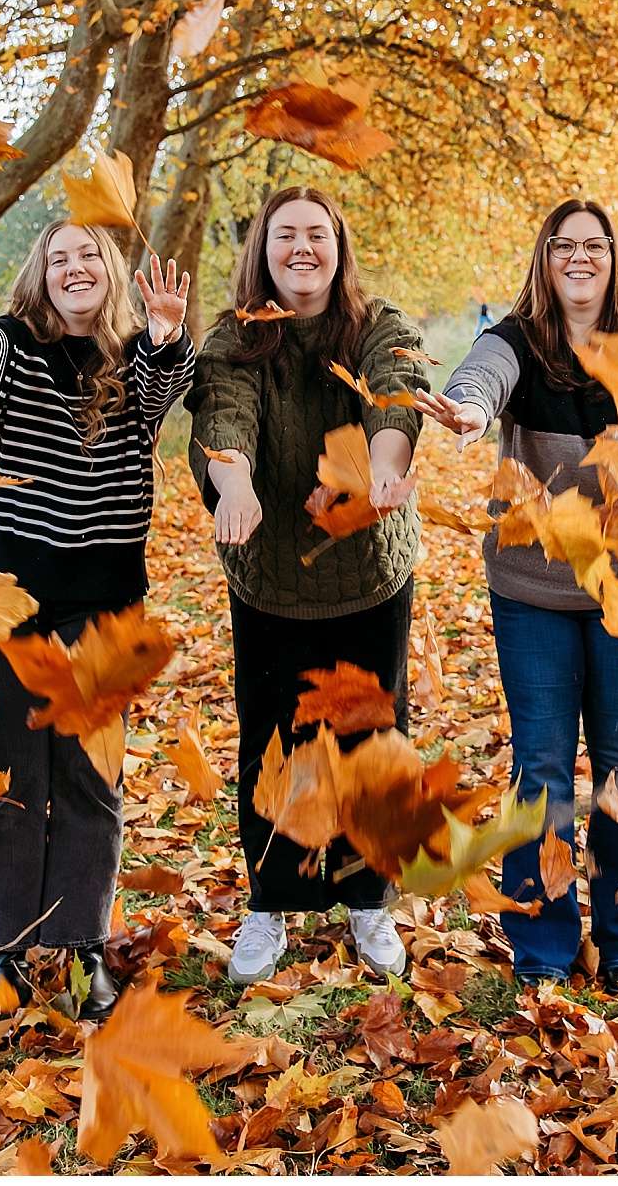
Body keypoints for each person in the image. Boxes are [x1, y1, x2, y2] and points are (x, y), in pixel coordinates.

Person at [0, 223, 193, 1019]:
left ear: (110, 270)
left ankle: (84, 943)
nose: (74, 267)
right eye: (58, 258)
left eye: (88, 255)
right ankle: (10, 951)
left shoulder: (135, 357)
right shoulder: (16, 349)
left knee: (91, 780)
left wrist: (163, 333)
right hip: (6, 599)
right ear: (42, 277)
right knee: (13, 778)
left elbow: (164, 389)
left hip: (103, 607)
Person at [414, 199, 618, 989]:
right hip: (533, 586)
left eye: (593, 246)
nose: (578, 258)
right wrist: (467, 409)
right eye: (563, 246)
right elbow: (481, 377)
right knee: (540, 769)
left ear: (613, 258)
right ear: (545, 258)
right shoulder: (516, 342)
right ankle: (542, 951)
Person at [185, 186, 429, 986]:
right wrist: (235, 487)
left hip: (367, 573)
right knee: (274, 742)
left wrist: (387, 466)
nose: (301, 248)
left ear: (337, 246)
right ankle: (271, 902)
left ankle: (368, 898)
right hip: (271, 576)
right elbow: (226, 415)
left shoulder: (375, 323)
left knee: (368, 738)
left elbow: (395, 388)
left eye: (315, 235)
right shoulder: (235, 338)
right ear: (262, 248)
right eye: (284, 235)